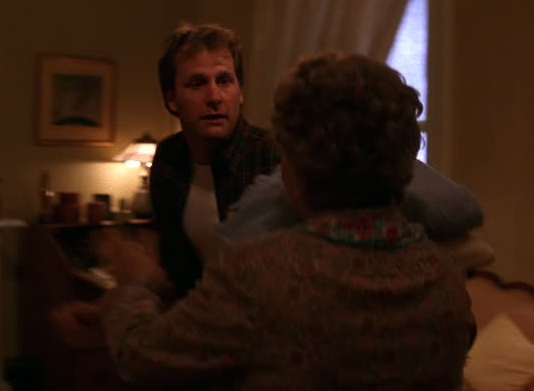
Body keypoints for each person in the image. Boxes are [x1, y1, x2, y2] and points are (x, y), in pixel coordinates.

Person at [97, 52, 476, 390]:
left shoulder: (259, 273)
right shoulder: (445, 281)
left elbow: (141, 358)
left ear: (296, 168)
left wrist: (134, 285)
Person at [151, 22, 280, 298]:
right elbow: (172, 267)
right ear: (172, 99)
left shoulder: (273, 155)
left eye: (224, 81)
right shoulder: (169, 158)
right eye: (198, 84)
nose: (214, 97)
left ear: (240, 92)